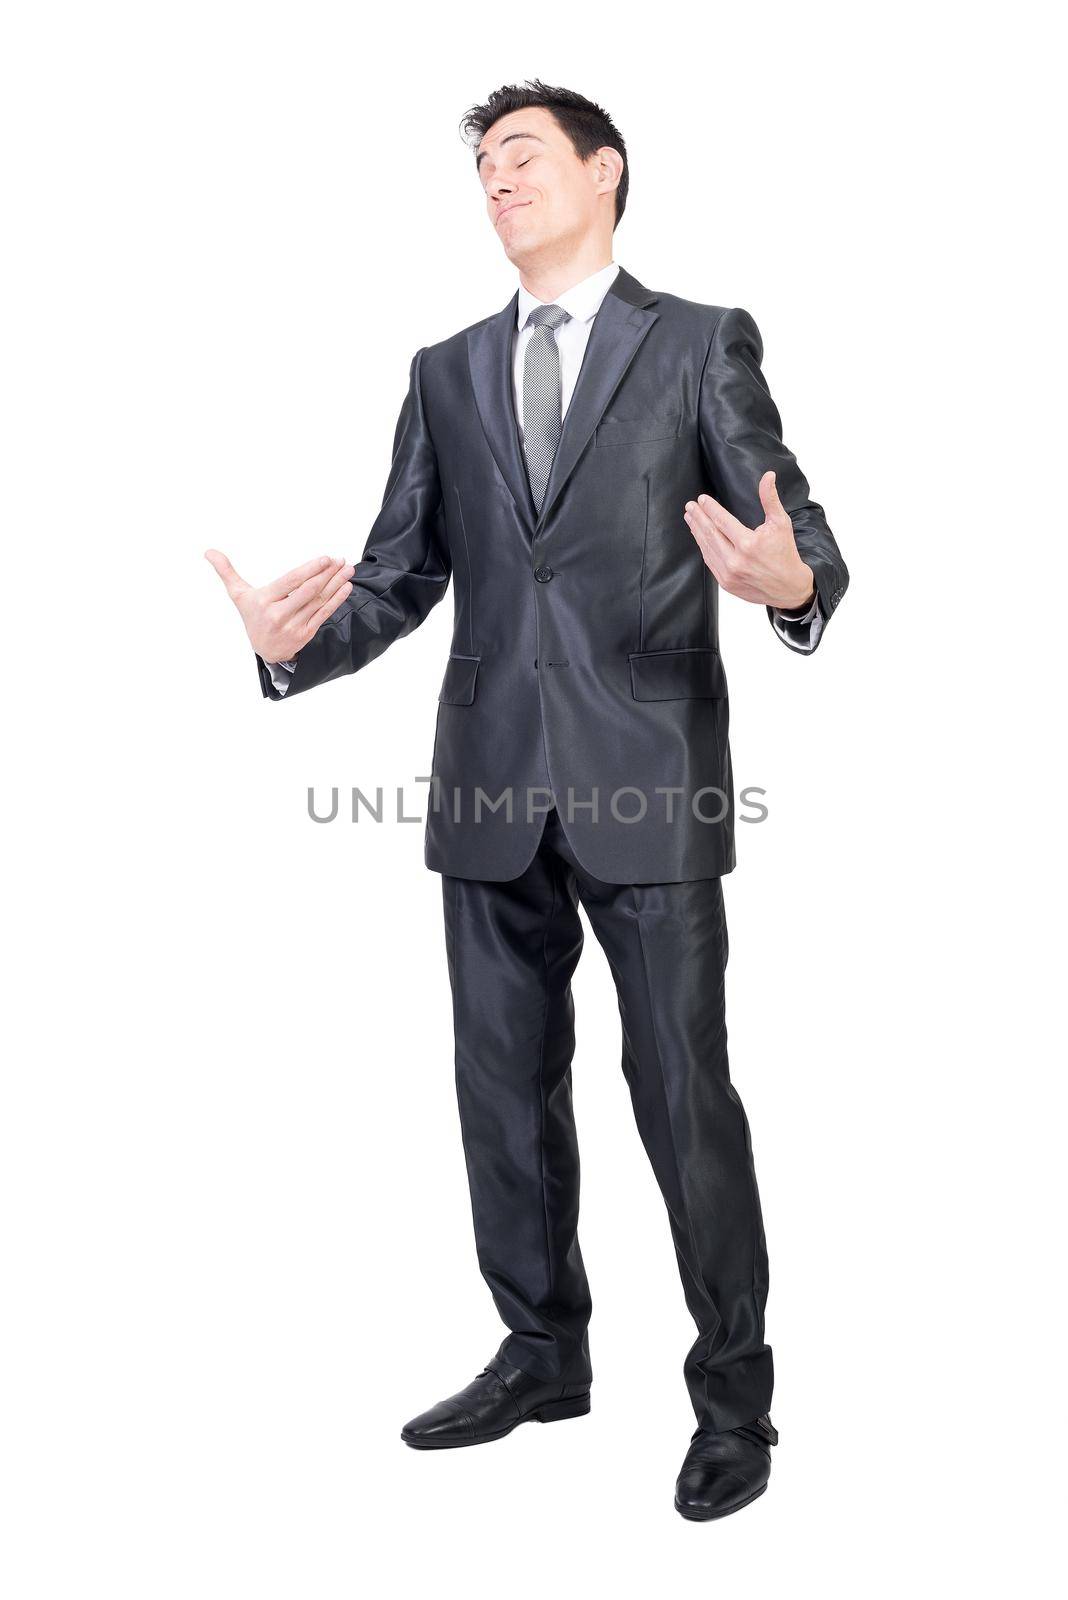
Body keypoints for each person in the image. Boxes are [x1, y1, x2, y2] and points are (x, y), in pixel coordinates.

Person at [207, 79, 848, 1522]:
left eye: (523, 157)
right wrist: (295, 647)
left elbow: (792, 531)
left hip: (650, 781)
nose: (497, 181)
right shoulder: (443, 369)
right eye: (482, 167)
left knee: (681, 1096)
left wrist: (792, 585)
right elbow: (401, 573)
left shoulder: (696, 345)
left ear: (603, 172)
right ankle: (543, 1351)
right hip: (490, 786)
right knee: (502, 1093)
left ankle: (734, 1400)